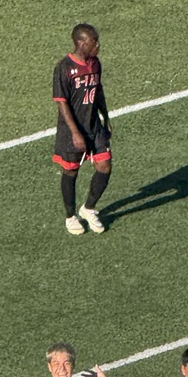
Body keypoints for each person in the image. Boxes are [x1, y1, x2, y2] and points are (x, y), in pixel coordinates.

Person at [52, 23, 112, 236]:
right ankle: (70, 217)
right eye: (94, 41)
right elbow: (62, 103)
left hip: (94, 125)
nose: (98, 45)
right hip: (73, 129)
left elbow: (99, 91)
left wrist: (105, 115)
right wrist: (75, 133)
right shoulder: (64, 68)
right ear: (81, 43)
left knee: (104, 165)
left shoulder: (95, 63)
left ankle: (88, 208)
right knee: (71, 170)